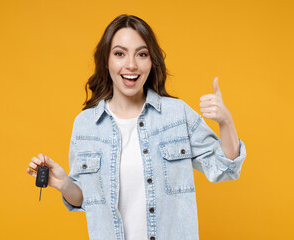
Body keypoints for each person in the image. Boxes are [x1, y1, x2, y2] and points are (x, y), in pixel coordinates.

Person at [26, 14, 246, 240]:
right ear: (106, 61)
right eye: (119, 53)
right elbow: (84, 200)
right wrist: (64, 184)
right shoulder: (86, 125)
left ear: (152, 62)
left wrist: (225, 121)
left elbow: (226, 168)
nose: (131, 65)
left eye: (142, 54)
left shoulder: (176, 115)